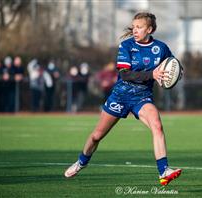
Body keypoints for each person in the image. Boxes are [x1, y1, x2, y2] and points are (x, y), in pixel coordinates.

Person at [64, 12, 182, 186]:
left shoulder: (161, 48)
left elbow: (173, 65)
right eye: (133, 27)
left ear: (149, 29)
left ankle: (164, 171)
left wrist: (177, 73)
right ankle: (82, 161)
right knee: (97, 136)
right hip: (120, 96)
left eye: (139, 27)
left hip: (142, 97)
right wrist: (152, 74)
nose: (135, 30)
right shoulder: (126, 46)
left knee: (157, 125)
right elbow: (125, 74)